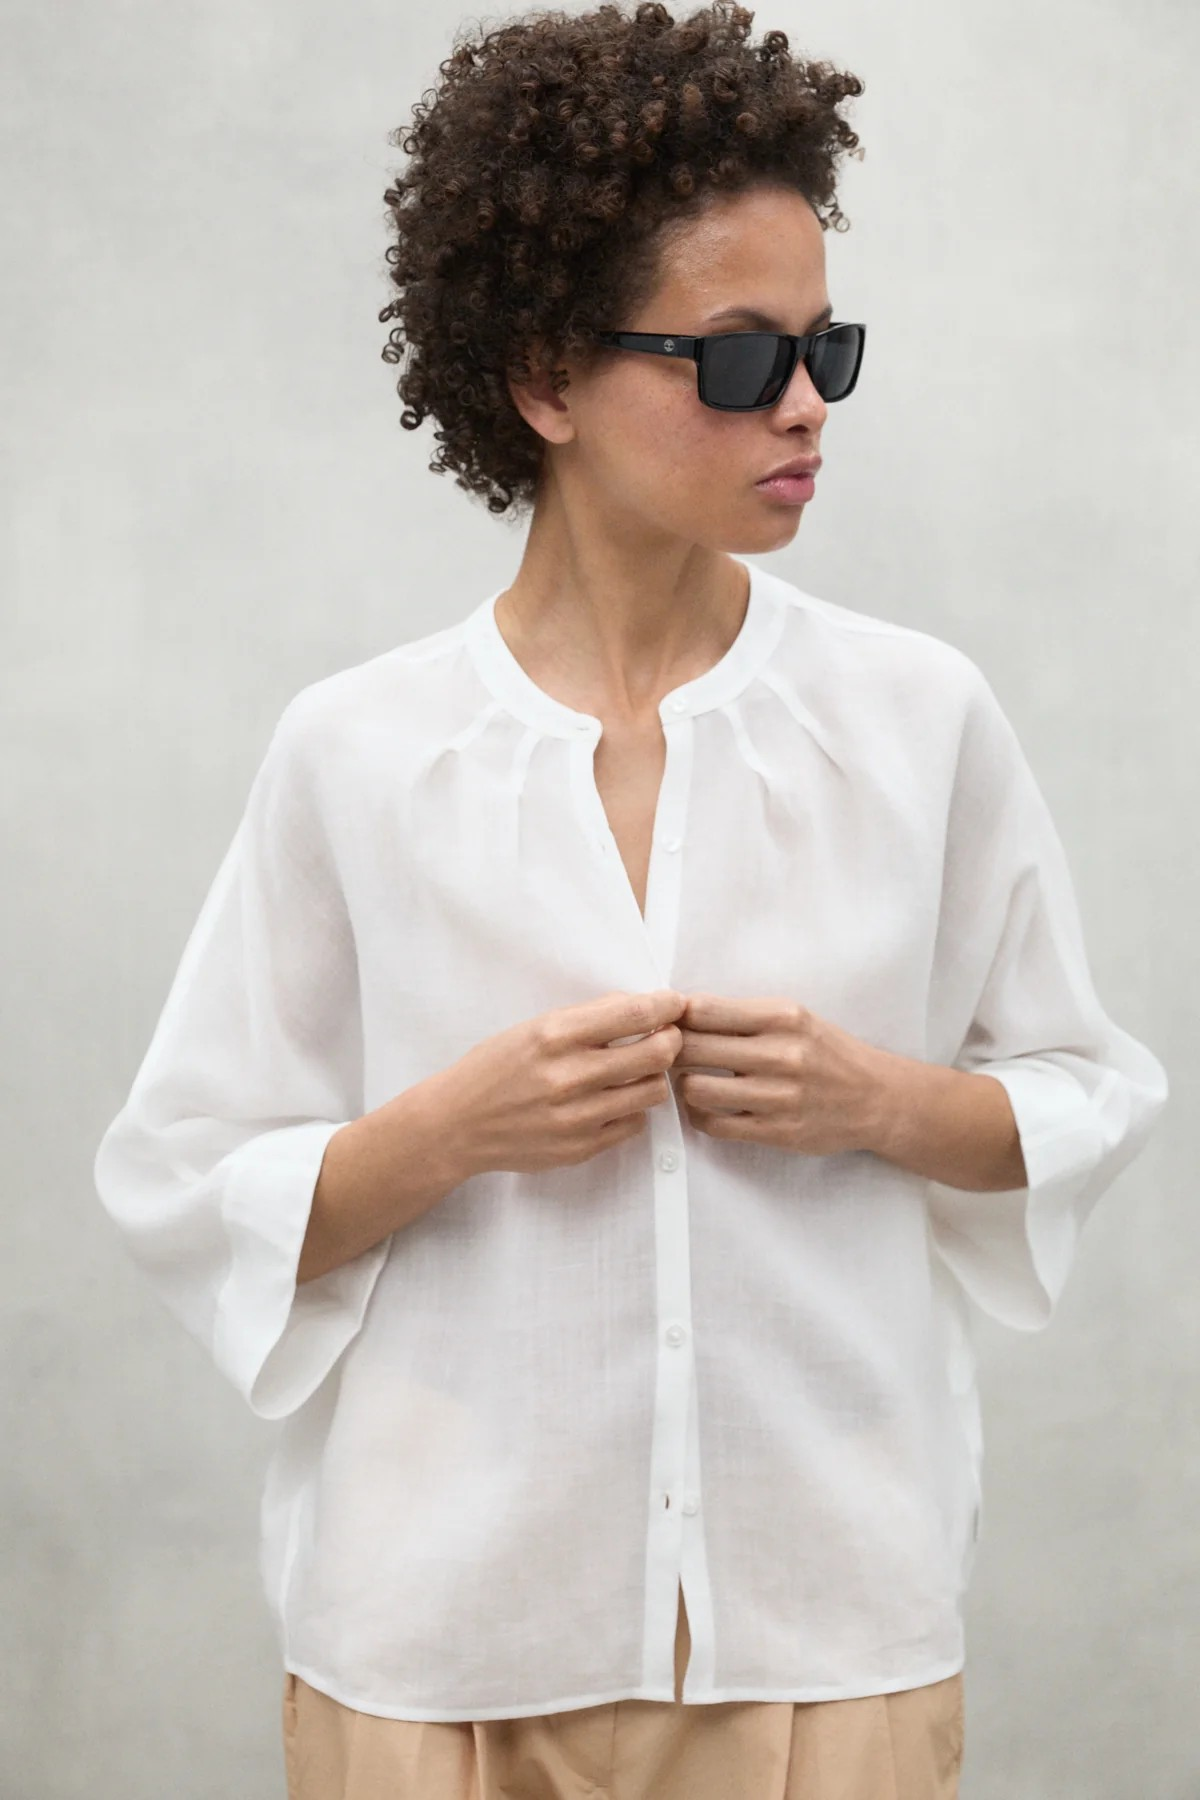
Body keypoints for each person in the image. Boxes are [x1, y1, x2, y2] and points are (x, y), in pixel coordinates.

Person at [92, 3, 1169, 1797]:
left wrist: (878, 1102)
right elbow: (179, 1175)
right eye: (739, 358)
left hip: (829, 1637)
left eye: (824, 348)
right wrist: (446, 1130)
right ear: (545, 379)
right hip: (439, 1651)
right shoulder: (358, 754)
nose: (805, 404)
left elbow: (1088, 1089)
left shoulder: (918, 723)